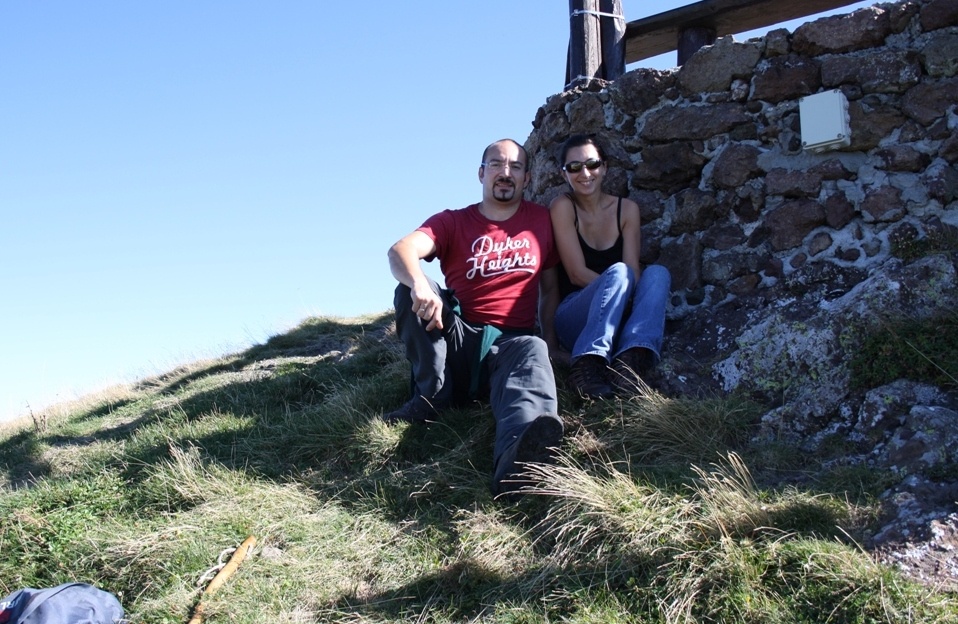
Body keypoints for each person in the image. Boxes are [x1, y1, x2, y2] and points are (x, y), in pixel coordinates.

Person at [385, 138, 563, 498]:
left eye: (515, 166)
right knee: (409, 290)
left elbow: (550, 290)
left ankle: (519, 463)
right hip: (458, 337)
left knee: (533, 346)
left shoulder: (542, 221)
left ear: (527, 178)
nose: (505, 172)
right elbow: (400, 250)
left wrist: (554, 344)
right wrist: (420, 283)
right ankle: (431, 397)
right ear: (481, 173)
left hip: (511, 344)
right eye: (497, 164)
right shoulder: (453, 222)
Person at [548, 134, 671, 398]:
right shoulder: (562, 206)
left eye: (592, 164)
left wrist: (625, 298)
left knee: (658, 274)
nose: (585, 173)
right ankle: (586, 365)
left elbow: (634, 269)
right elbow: (576, 273)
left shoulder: (627, 210)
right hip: (576, 315)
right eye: (574, 167)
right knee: (619, 273)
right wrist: (621, 290)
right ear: (564, 175)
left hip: (618, 309)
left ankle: (630, 362)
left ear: (604, 167)